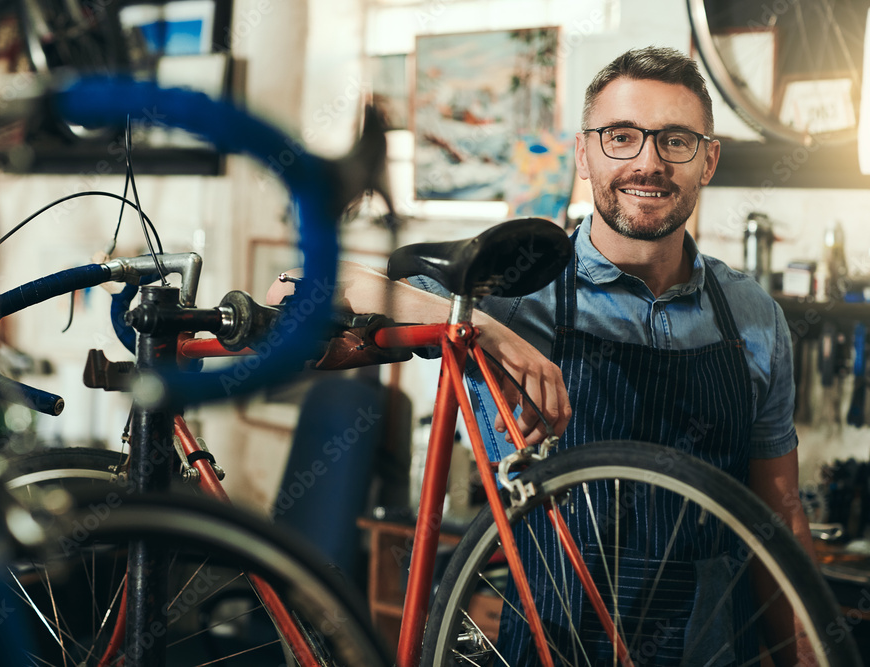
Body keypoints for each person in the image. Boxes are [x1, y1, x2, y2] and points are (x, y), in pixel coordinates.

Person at [269, 46, 813, 665]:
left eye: (676, 141)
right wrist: (482, 328)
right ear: (583, 153)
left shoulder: (753, 315)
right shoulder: (513, 290)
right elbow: (289, 292)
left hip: (717, 651)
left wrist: (809, 651)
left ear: (708, 159)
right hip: (557, 648)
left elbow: (781, 522)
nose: (648, 162)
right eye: (621, 137)